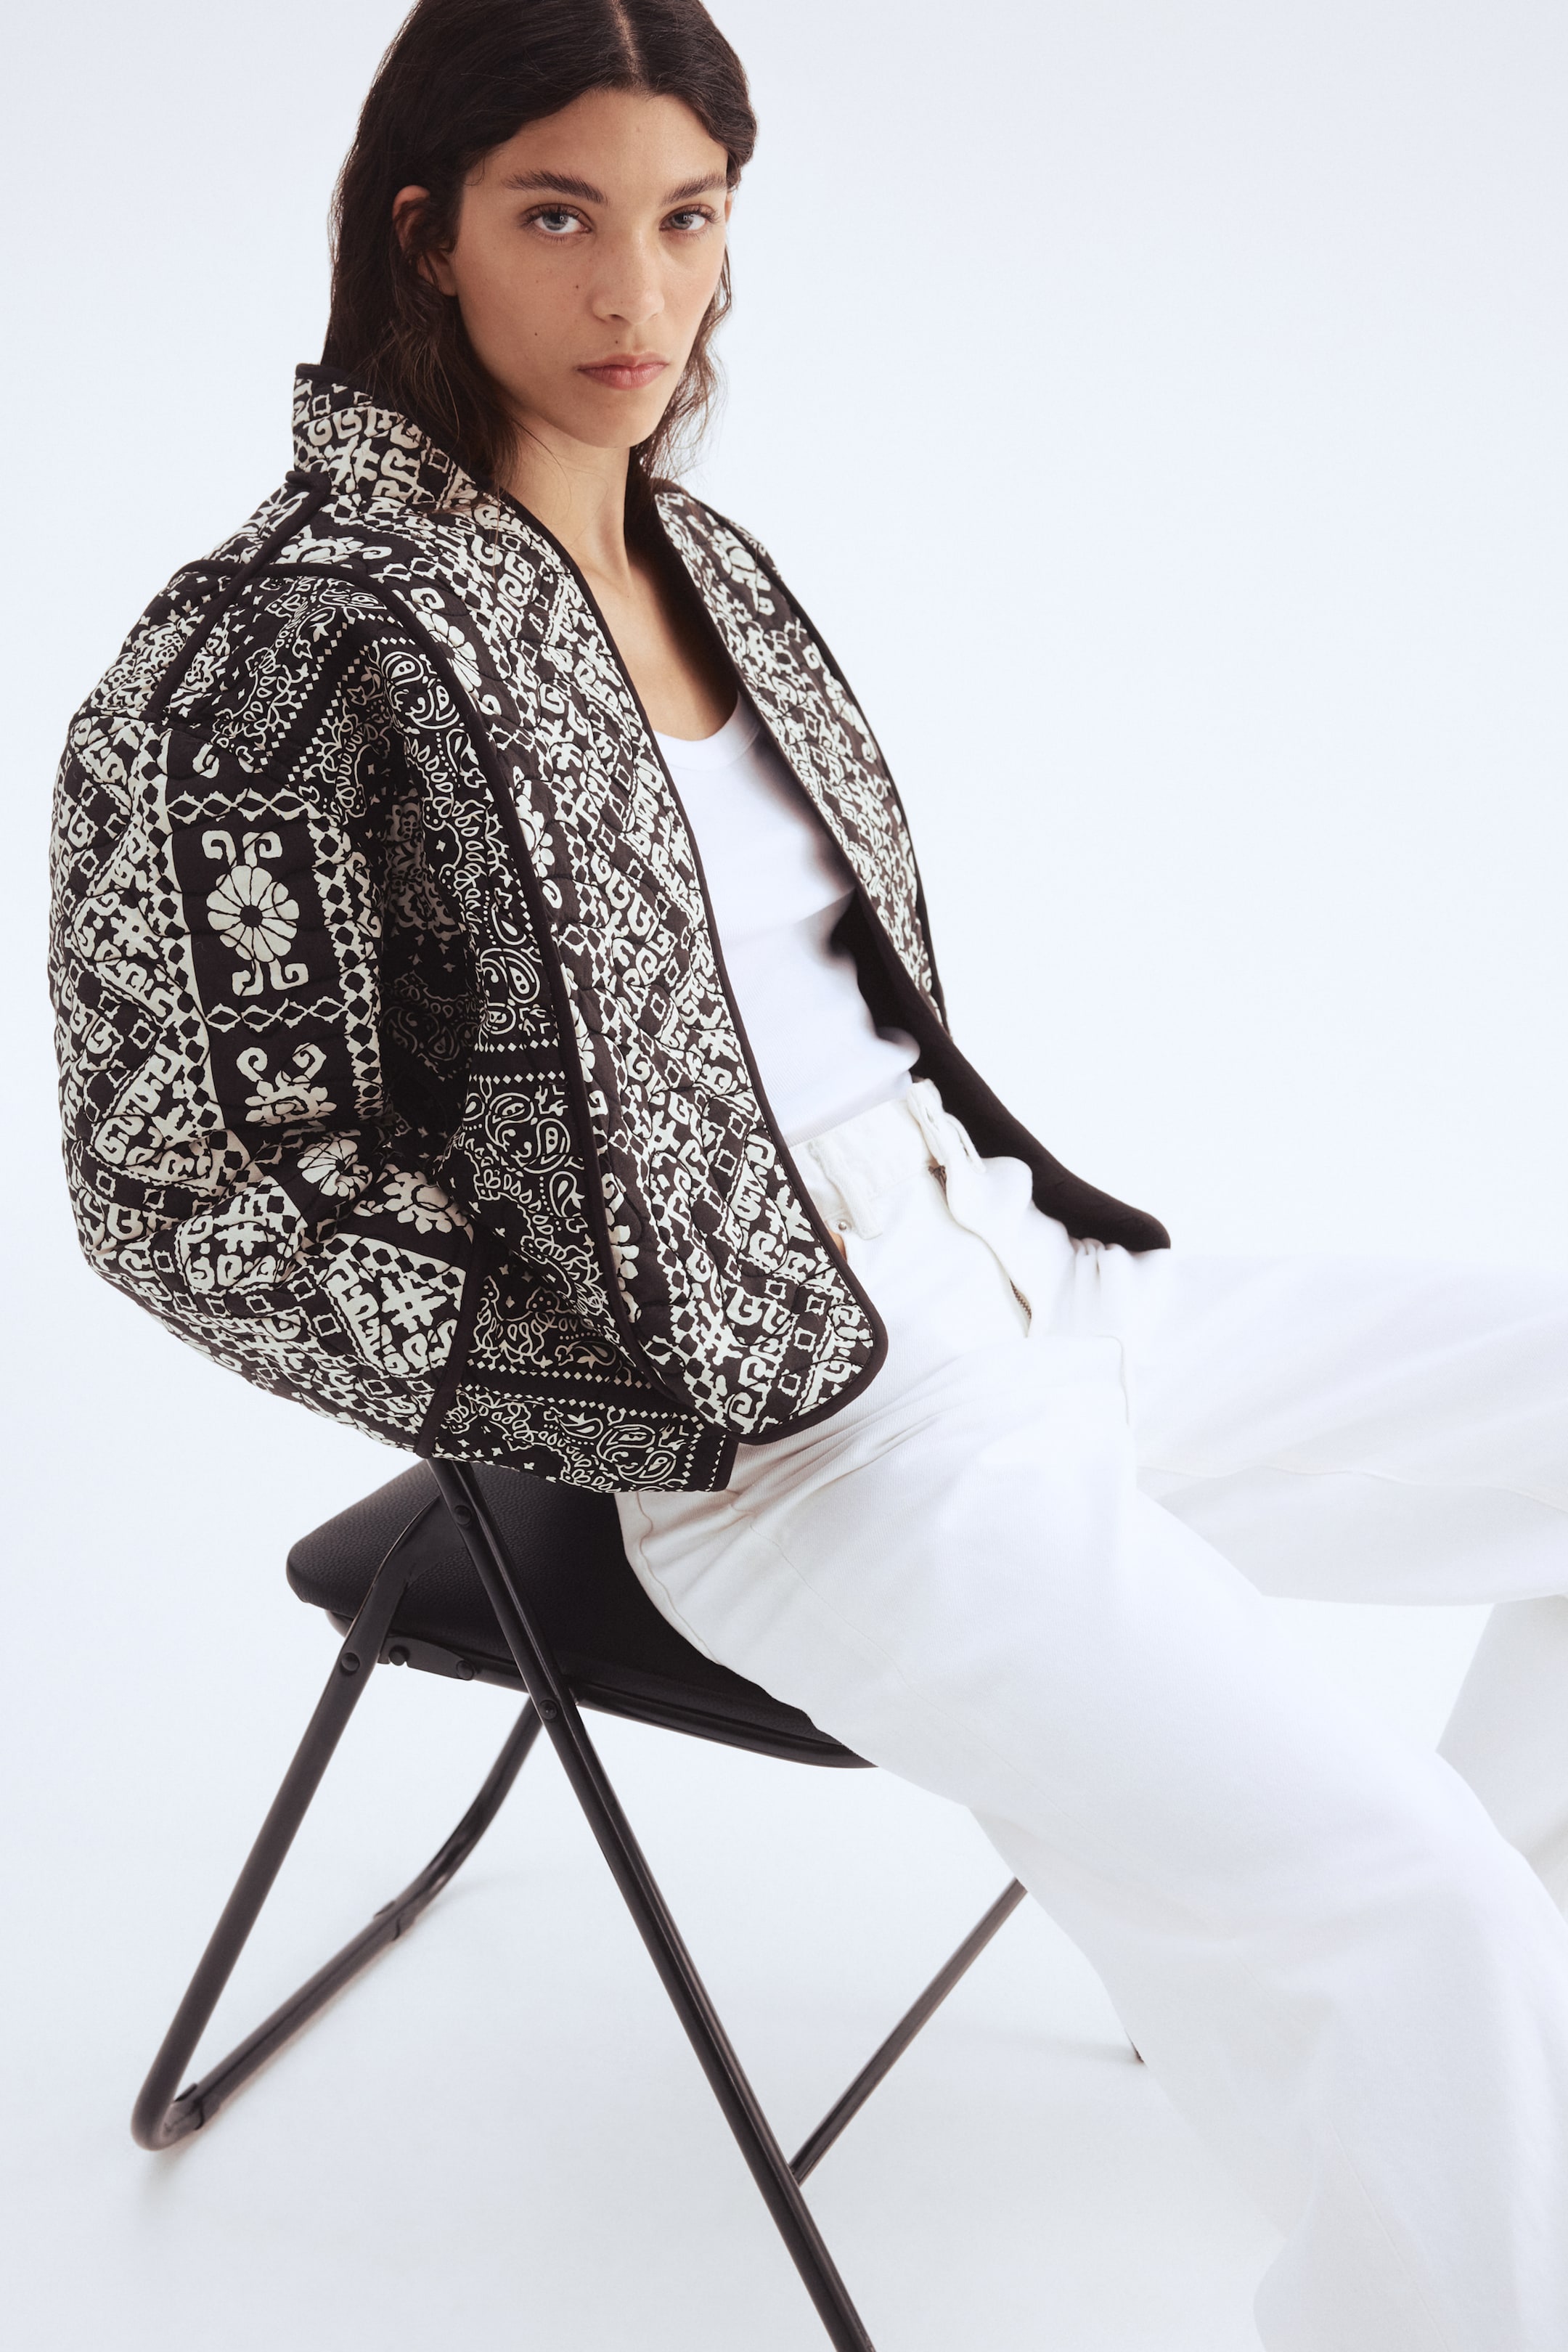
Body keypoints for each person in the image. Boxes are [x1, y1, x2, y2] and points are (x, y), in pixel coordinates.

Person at [48, 2, 1568, 2344]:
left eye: (689, 219)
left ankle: (1469, 2093)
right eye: (562, 216)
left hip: (1028, 1280)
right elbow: (182, 1177)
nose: (638, 295)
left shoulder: (707, 564)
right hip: (803, 1443)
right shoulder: (270, 656)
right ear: (425, 233)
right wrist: (624, 1387)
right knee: (1414, 1903)